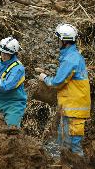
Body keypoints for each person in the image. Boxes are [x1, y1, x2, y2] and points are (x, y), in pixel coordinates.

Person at [38, 24, 91, 156]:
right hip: (72, 107)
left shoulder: (70, 59)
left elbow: (57, 83)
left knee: (72, 146)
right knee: (65, 143)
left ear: (64, 40)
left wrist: (45, 78)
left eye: (58, 39)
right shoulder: (73, 56)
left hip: (74, 108)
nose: (57, 42)